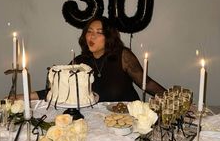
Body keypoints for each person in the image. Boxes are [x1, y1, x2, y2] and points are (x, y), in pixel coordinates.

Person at [16, 16, 166, 102]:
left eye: (99, 33)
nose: (92, 36)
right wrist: (23, 97)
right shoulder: (79, 61)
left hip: (127, 122)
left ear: (108, 37)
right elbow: (58, 90)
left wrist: (173, 100)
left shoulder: (123, 56)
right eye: (89, 31)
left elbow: (147, 83)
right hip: (98, 124)